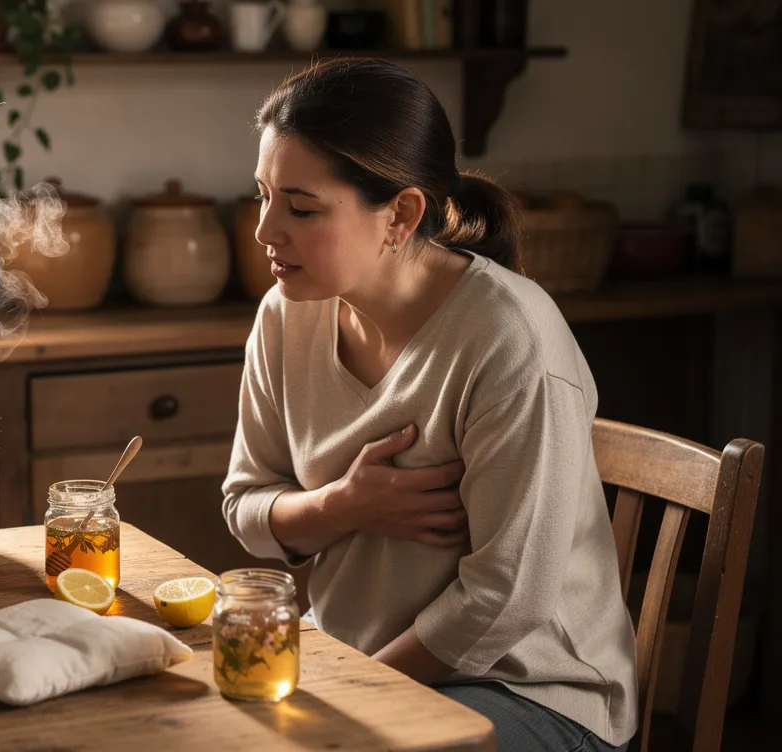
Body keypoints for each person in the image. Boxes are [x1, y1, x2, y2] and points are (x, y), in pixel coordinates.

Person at [222, 58, 637, 751]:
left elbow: (506, 599)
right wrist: (344, 505)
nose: (266, 231)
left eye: (300, 207)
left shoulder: (511, 340)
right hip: (355, 659)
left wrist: (353, 698)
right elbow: (246, 508)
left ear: (402, 214)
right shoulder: (283, 316)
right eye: (261, 197)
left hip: (528, 690)